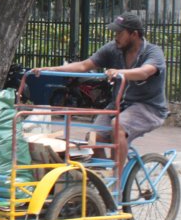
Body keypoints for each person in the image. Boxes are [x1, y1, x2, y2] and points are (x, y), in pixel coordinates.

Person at [33, 11, 167, 157]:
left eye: (119, 33)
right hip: (118, 105)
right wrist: (51, 69)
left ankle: (118, 177)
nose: (115, 37)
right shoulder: (113, 49)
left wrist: (119, 72)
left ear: (134, 34)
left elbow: (144, 72)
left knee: (118, 126)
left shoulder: (153, 52)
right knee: (93, 138)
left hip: (148, 108)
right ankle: (103, 175)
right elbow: (84, 66)